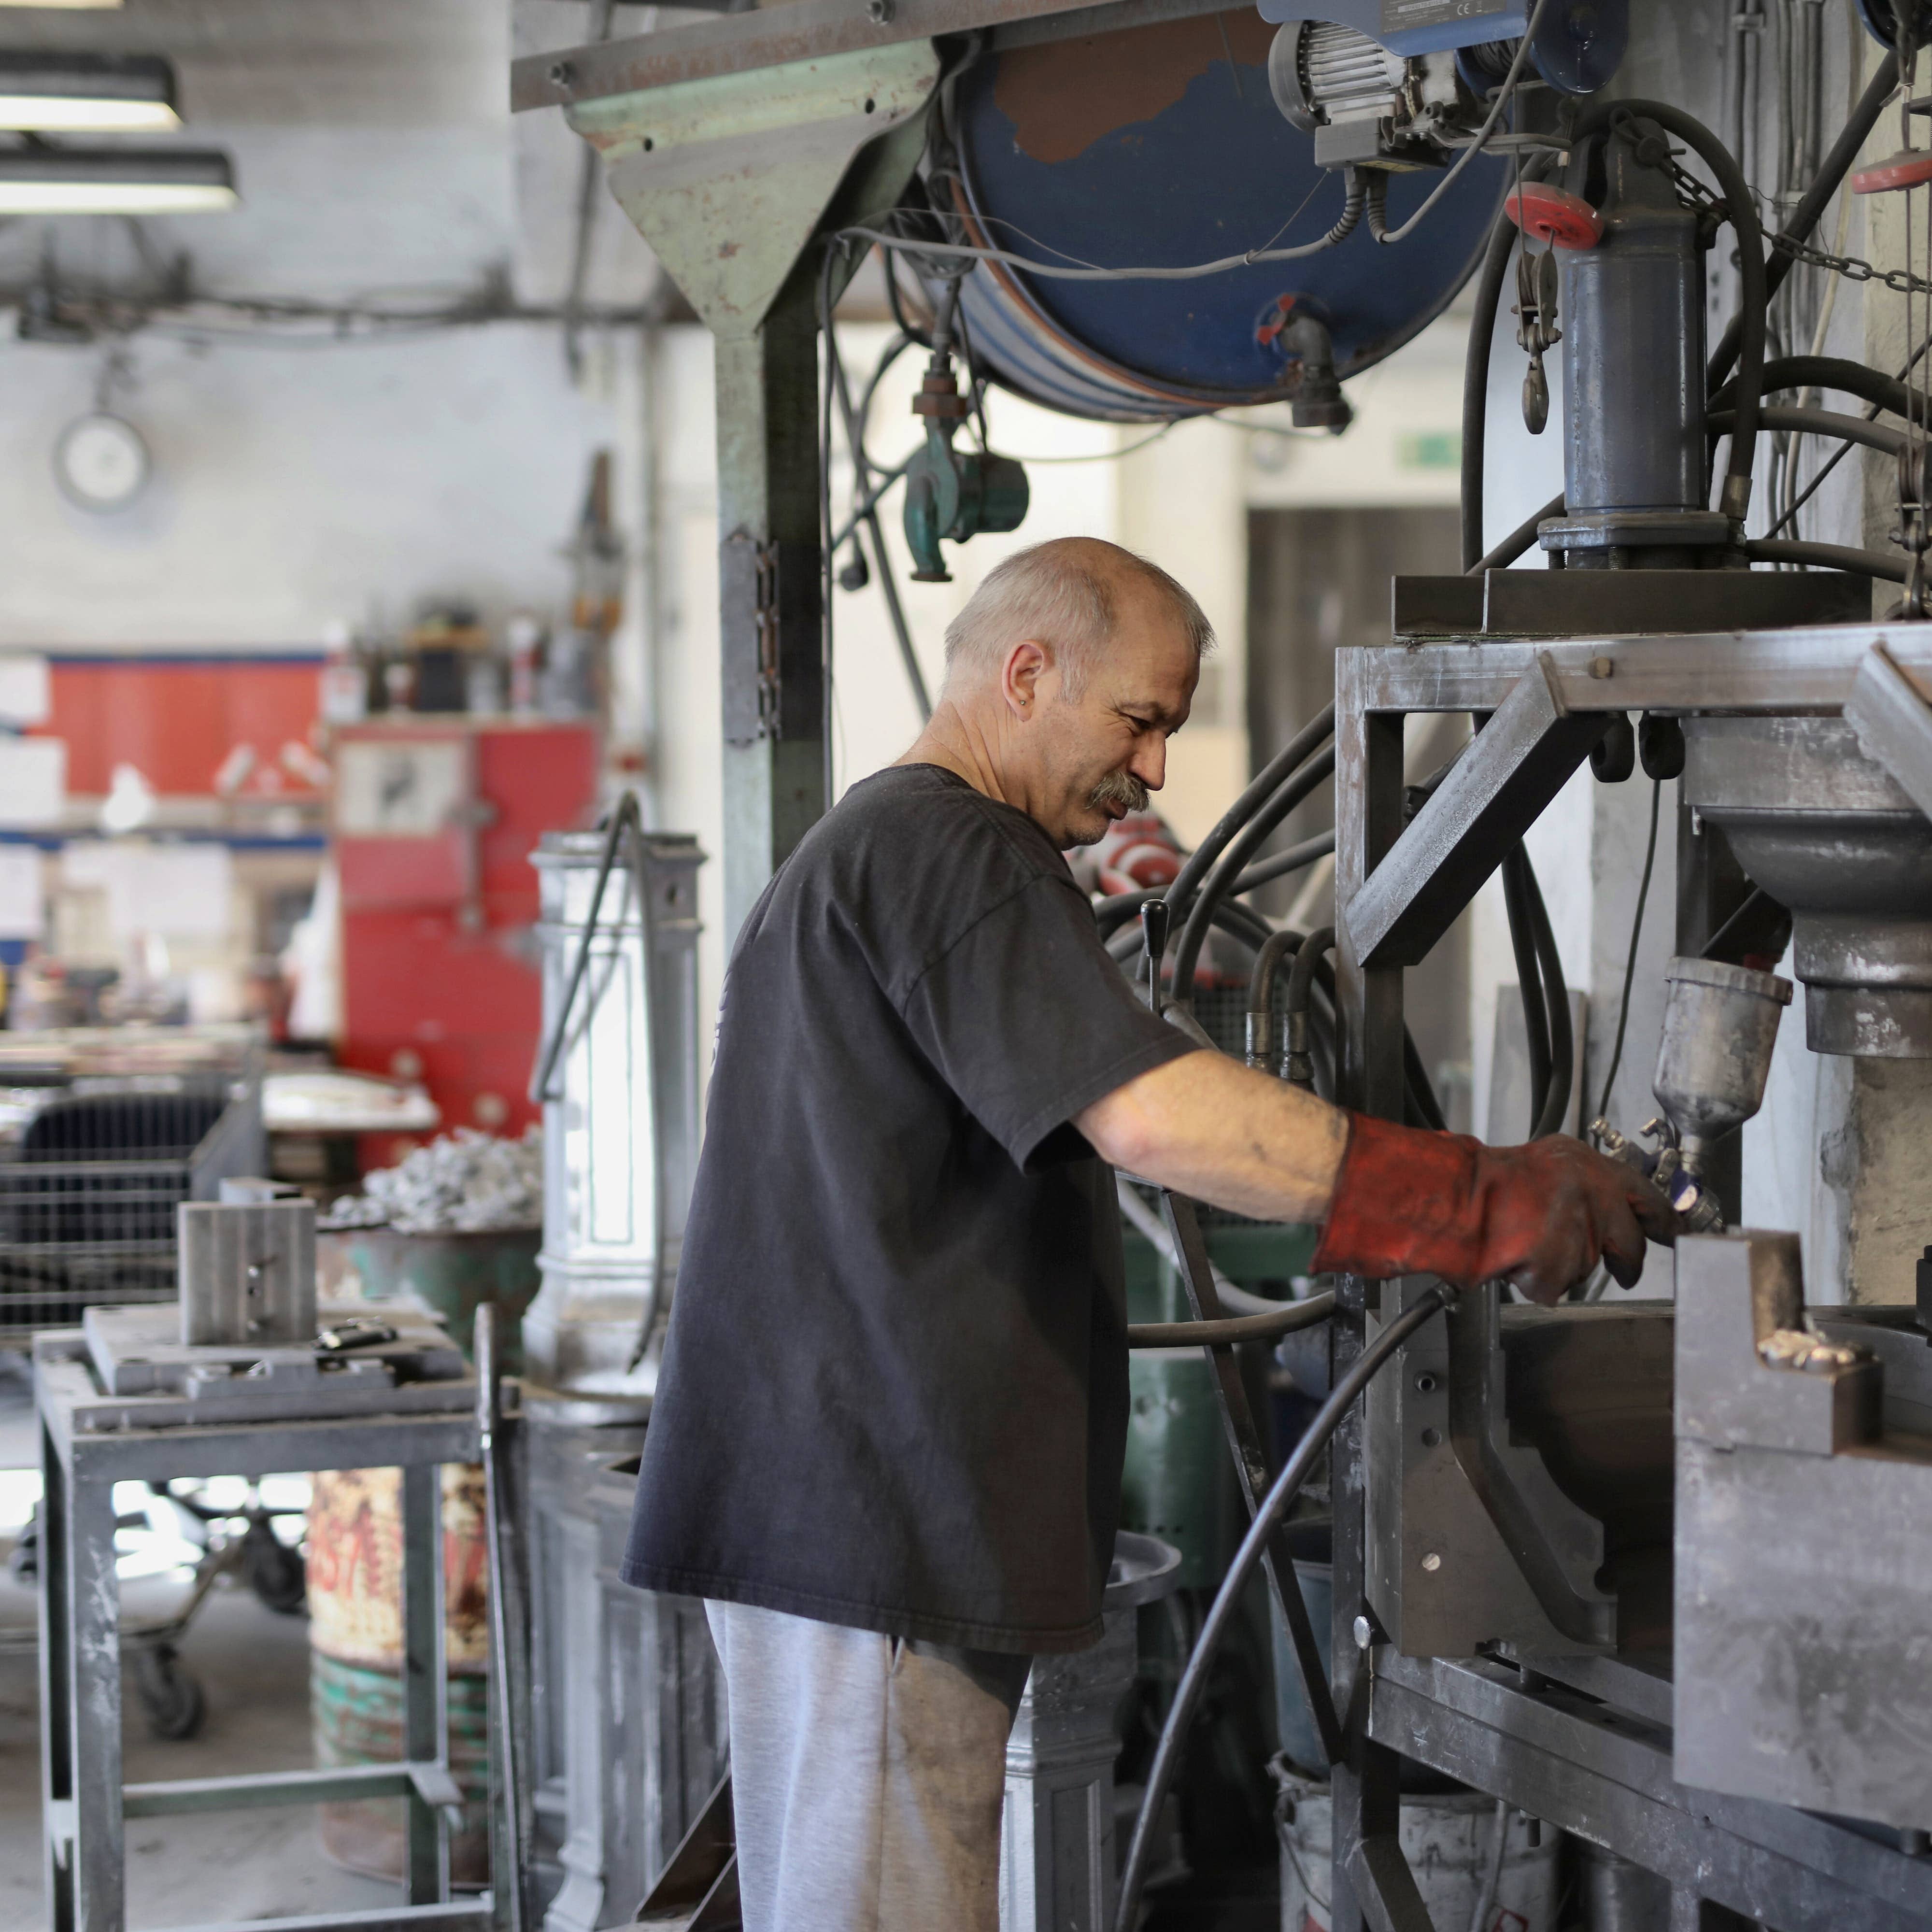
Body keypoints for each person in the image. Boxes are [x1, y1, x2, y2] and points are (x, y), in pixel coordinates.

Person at [620, 537, 1674, 1932]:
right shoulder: (951, 847)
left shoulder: (885, 850)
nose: (1159, 770)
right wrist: (1480, 1198)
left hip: (851, 1527)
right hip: (870, 1531)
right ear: (1025, 674)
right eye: (1141, 719)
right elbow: (1159, 1120)